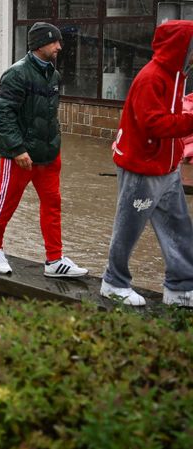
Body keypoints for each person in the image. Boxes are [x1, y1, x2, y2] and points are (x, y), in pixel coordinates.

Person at [0, 21, 88, 278]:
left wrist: (55, 145)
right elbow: (4, 115)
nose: (59, 47)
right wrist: (17, 149)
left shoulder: (53, 75)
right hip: (20, 156)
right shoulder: (16, 74)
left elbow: (49, 115)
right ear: (40, 44)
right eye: (55, 42)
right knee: (6, 203)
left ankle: (54, 260)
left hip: (49, 155)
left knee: (53, 205)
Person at [100, 20, 193, 307]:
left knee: (178, 227)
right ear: (182, 47)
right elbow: (153, 123)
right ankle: (113, 282)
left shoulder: (177, 76)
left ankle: (180, 288)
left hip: (167, 168)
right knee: (128, 227)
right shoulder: (152, 77)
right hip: (142, 168)